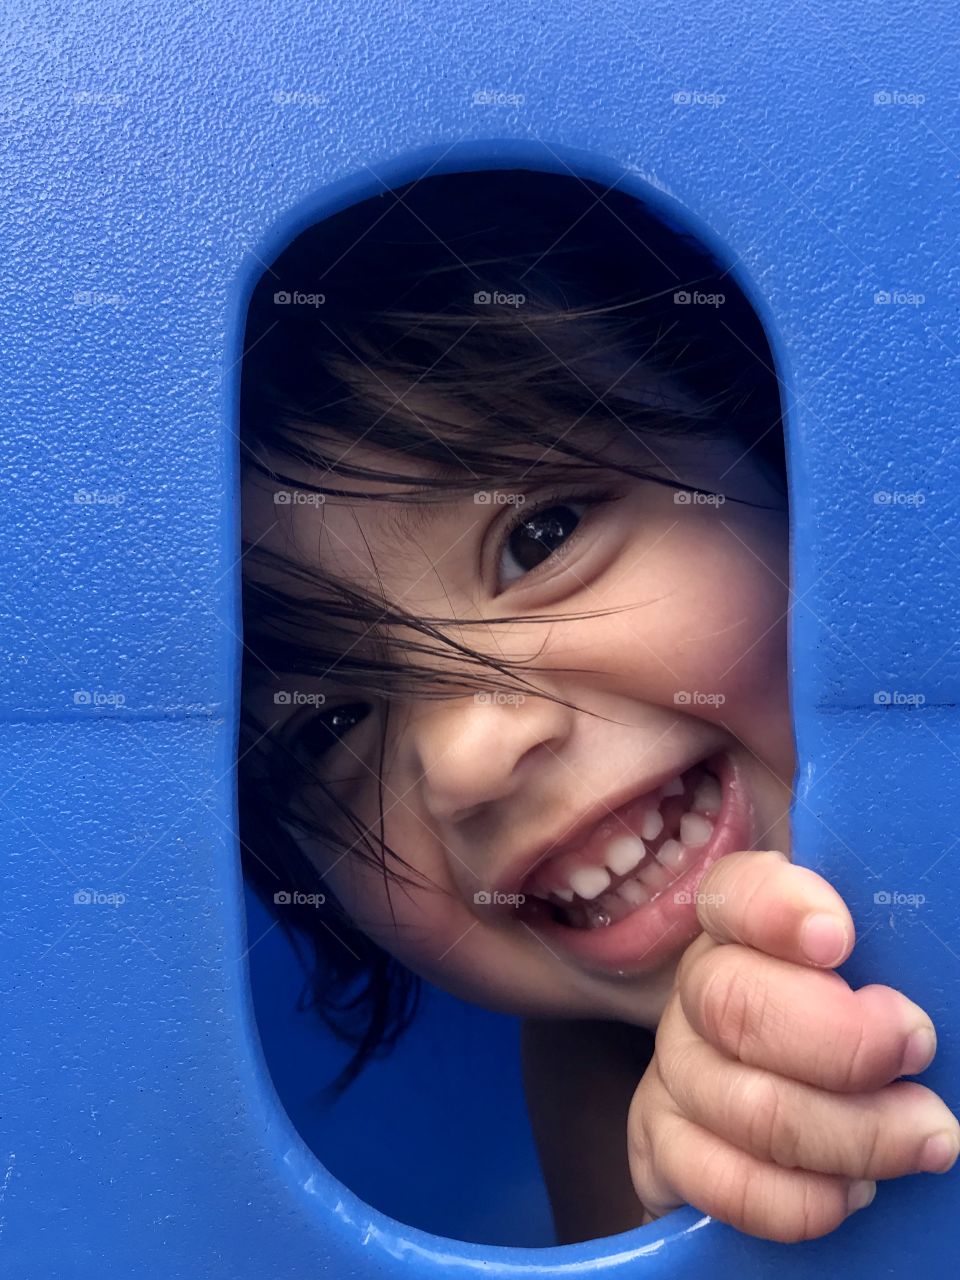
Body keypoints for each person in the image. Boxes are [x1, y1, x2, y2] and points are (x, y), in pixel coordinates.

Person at [237, 167, 959, 1245]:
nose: (467, 753)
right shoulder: (590, 1062)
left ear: (798, 461)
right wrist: (695, 1179)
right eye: (332, 724)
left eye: (542, 535)